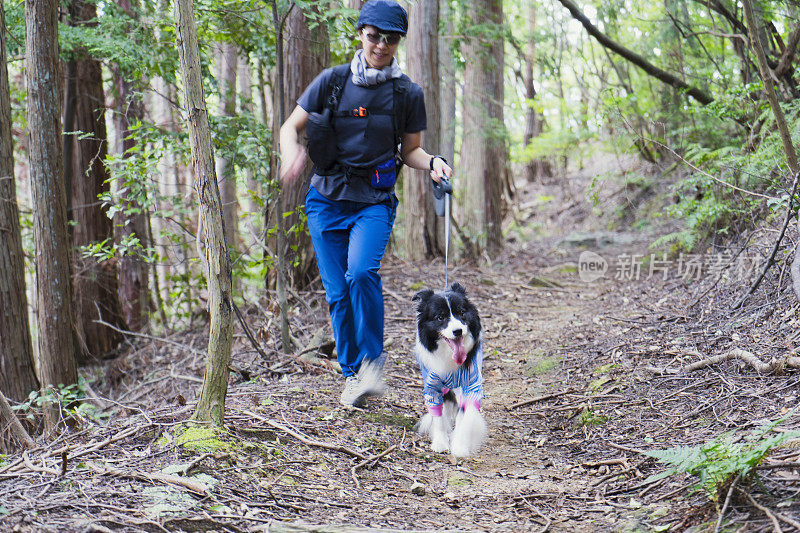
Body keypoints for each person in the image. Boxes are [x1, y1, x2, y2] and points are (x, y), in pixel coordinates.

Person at [279, 0, 453, 407]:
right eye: (374, 35)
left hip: (373, 200)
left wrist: (433, 163)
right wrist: (291, 154)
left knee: (361, 272)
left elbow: (410, 150)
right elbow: (291, 126)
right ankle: (353, 374)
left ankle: (373, 363)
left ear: (399, 42)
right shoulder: (333, 81)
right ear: (361, 33)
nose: (381, 45)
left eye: (391, 38)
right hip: (324, 200)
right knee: (337, 293)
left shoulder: (407, 93)